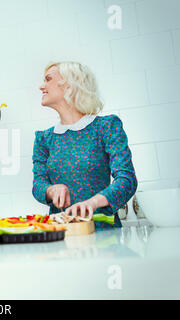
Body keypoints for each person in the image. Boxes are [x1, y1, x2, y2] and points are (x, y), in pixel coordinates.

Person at [32, 61, 137, 229]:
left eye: (48, 79)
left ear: (68, 85)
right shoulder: (44, 139)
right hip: (61, 232)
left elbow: (127, 180)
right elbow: (38, 184)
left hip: (103, 233)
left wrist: (92, 203)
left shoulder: (106, 127)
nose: (41, 86)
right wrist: (50, 190)